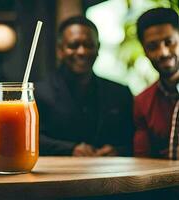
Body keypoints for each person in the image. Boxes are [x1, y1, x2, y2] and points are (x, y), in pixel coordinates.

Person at [35, 16, 134, 156]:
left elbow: (135, 139)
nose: (82, 51)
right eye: (73, 45)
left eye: (89, 45)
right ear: (60, 50)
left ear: (98, 48)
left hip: (110, 174)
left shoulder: (120, 93)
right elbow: (28, 138)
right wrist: (70, 149)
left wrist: (118, 150)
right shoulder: (37, 93)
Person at [134, 8, 179, 159]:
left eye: (169, 42)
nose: (163, 52)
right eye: (153, 47)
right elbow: (142, 160)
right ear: (144, 51)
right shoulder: (142, 102)